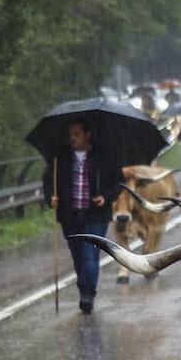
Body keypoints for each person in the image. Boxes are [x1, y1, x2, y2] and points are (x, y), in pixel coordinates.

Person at [42, 118, 123, 314]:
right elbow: (47, 182)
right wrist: (50, 197)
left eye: (77, 134)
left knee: (89, 255)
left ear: (88, 135)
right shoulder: (59, 157)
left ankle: (88, 294)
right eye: (71, 134)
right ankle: (83, 290)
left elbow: (118, 182)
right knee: (78, 256)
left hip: (96, 215)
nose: (72, 138)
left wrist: (106, 197)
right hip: (69, 215)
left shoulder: (104, 156)